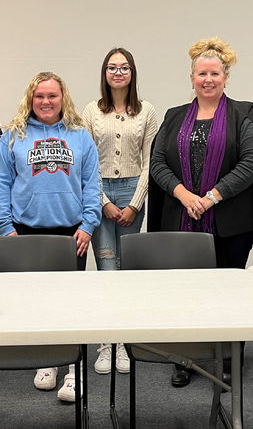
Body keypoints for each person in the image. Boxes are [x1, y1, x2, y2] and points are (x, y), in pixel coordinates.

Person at [149, 37, 253, 388]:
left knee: (227, 293)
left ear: (226, 77)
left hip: (230, 223)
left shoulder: (243, 113)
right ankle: (186, 358)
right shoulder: (173, 117)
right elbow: (157, 163)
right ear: (192, 77)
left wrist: (211, 197)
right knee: (186, 294)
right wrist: (185, 195)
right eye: (202, 73)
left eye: (215, 73)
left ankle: (227, 358)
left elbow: (252, 163)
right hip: (182, 220)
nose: (208, 80)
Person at [0, 71, 101, 403]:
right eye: (40, 96)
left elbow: (92, 186)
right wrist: (6, 228)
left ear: (63, 98)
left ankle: (72, 370)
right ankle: (47, 363)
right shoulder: (11, 136)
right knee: (36, 305)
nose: (46, 102)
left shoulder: (81, 137)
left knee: (70, 305)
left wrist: (88, 225)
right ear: (30, 99)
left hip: (71, 233)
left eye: (52, 96)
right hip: (26, 232)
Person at [82, 47, 158, 376]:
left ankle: (124, 343)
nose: (118, 73)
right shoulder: (91, 111)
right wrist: (103, 202)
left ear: (132, 73)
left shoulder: (147, 111)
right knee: (106, 268)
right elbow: (85, 164)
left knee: (125, 271)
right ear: (105, 73)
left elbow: (149, 161)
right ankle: (106, 342)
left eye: (124, 67)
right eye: (112, 67)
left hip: (131, 193)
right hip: (99, 194)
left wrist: (135, 203)